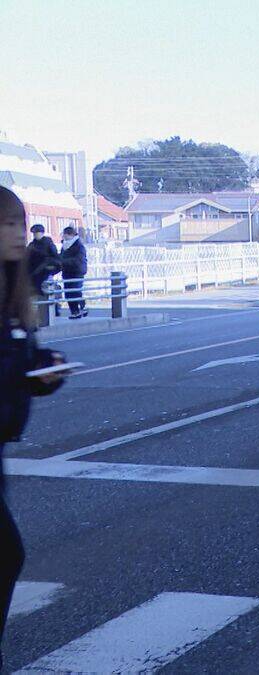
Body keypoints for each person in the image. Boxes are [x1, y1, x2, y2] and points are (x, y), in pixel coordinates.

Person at [0, 187, 67, 663]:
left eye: (19, 224)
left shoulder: (12, 288)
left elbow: (17, 362)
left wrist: (46, 369)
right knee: (6, 555)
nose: (17, 234)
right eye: (6, 224)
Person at [25, 224, 59, 320]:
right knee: (34, 293)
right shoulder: (32, 245)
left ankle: (53, 310)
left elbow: (55, 258)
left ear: (42, 233)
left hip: (44, 271)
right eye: (34, 233)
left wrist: (50, 269)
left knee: (43, 292)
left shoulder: (48, 243)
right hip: (34, 272)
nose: (35, 235)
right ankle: (37, 314)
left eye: (37, 233)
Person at [58, 226, 87, 319]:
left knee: (75, 291)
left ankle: (81, 307)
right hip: (66, 272)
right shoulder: (64, 245)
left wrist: (63, 261)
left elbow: (78, 259)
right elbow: (61, 257)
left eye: (65, 235)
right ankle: (75, 312)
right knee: (68, 293)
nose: (63, 236)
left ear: (70, 235)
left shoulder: (79, 246)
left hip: (77, 272)